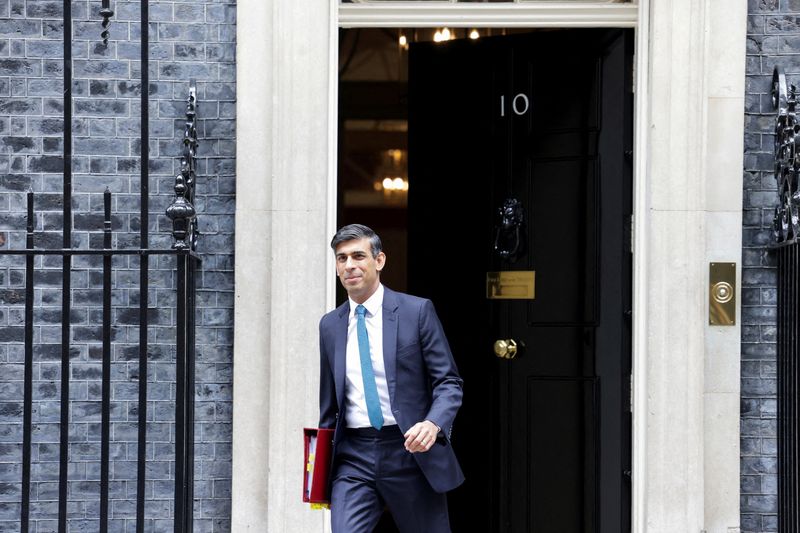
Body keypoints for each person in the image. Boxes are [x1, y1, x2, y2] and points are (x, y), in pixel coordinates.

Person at [318, 223, 464, 533]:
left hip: (410, 451)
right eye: (342, 258)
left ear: (379, 260)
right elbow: (329, 403)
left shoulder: (417, 311)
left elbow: (448, 382)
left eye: (358, 256)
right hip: (353, 456)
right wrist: (318, 471)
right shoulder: (329, 326)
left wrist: (433, 423)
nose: (350, 265)